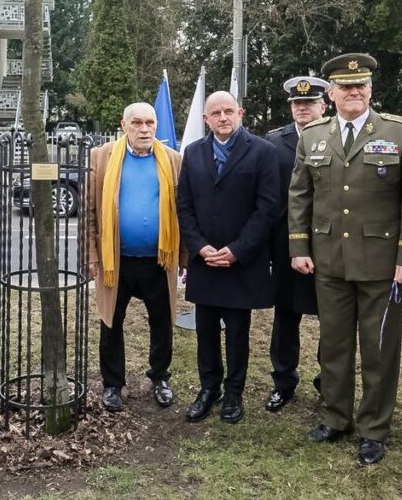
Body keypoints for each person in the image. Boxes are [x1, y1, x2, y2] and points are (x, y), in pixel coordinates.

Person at [288, 53, 402, 466]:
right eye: (346, 87)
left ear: (370, 91)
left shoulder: (399, 133)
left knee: (380, 349)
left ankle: (374, 429)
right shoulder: (312, 136)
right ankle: (335, 416)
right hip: (329, 260)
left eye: (361, 86)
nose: (354, 92)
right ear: (332, 93)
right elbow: (300, 198)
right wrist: (299, 248)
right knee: (334, 345)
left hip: (383, 264)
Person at [178, 91, 280, 425]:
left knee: (237, 331)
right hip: (205, 260)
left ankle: (233, 393)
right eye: (215, 114)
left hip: (241, 261)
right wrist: (199, 246)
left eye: (228, 111)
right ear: (206, 119)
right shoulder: (193, 153)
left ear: (240, 112)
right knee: (205, 329)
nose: (223, 118)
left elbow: (268, 208)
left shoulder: (263, 152)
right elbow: (185, 206)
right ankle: (209, 388)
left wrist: (238, 250)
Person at [86, 102, 182, 412]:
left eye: (150, 123)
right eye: (137, 123)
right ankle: (113, 384)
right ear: (124, 125)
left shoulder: (172, 160)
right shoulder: (102, 157)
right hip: (116, 260)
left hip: (159, 260)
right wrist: (91, 255)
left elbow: (184, 211)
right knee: (111, 321)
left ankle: (160, 376)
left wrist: (184, 258)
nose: (144, 129)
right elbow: (89, 211)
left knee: (162, 321)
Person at [262, 76, 328, 412]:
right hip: (286, 244)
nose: (302, 108)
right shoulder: (273, 143)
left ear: (323, 106)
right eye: (297, 104)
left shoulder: (336, 138)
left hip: (330, 244)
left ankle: (328, 384)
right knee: (285, 318)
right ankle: (283, 382)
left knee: (332, 319)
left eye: (309, 103)